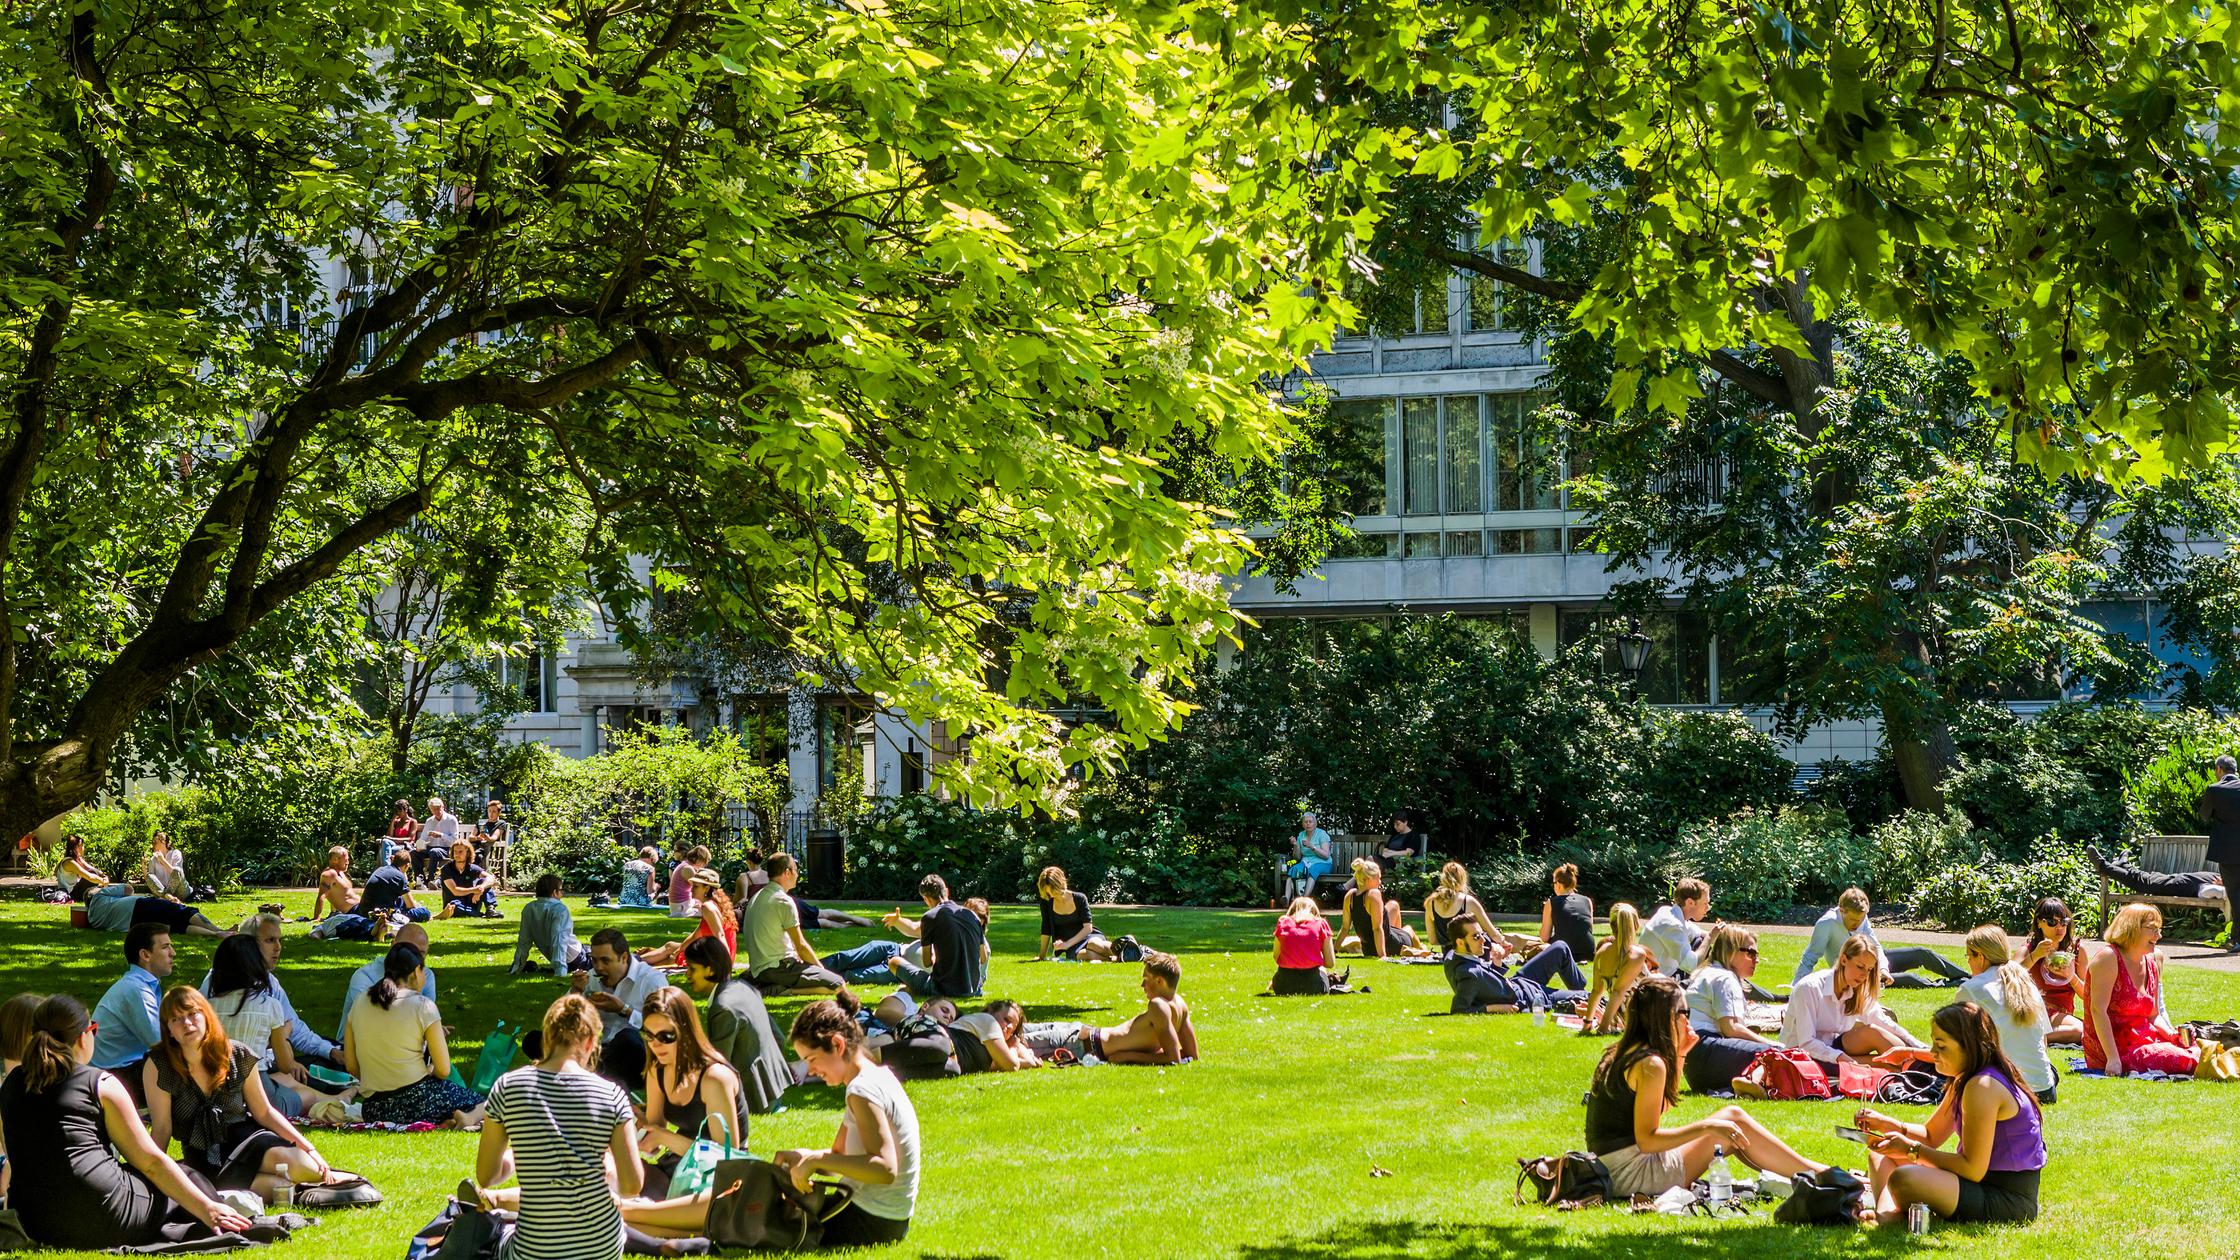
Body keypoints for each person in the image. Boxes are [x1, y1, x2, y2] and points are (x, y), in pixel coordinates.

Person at [623, 993, 920, 1248]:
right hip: (876, 1215)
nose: (812, 1071)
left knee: (740, 1213)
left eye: (813, 1060)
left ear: (838, 1045)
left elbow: (884, 1169)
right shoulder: (875, 1077)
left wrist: (816, 1160)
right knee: (744, 1207)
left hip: (867, 1221)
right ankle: (630, 1223)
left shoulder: (861, 1090)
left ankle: (625, 1215)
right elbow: (840, 1155)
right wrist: (803, 1157)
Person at [0, 995, 254, 1249]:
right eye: (93, 1030)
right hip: (102, 1214)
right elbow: (151, 1162)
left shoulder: (10, 1085)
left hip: (37, 1221)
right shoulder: (100, 1084)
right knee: (186, 1175)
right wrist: (207, 1207)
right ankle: (223, 1217)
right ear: (82, 1037)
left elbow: (17, 1156)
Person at [1582, 976, 1834, 1200]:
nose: (1688, 1020)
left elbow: (1662, 1109)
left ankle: (1810, 1176)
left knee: (1732, 1129)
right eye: (1685, 1012)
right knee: (1731, 1119)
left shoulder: (1625, 1052)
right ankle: (1821, 1175)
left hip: (1612, 1166)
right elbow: (1648, 1140)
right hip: (1631, 1173)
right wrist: (1707, 1126)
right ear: (1668, 1017)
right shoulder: (1651, 1064)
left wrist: (1681, 1052)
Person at [473, 994, 642, 1260]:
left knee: (497, 1231)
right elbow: (632, 1186)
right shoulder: (612, 1095)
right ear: (589, 1043)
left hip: (535, 1249)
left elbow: (487, 1176)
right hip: (602, 1247)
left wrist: (520, 1152)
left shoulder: (508, 1087)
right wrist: (608, 1168)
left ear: (547, 1039)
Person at [1856, 1001, 2047, 1226]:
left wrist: (1909, 1150)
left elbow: (1972, 1169)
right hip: (1977, 1184)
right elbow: (1930, 1135)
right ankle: (1888, 1216)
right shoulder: (1964, 1078)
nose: (1932, 1053)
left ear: (1968, 1046)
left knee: (1903, 1177)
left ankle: (1887, 1217)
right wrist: (1887, 1124)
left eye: (1941, 1046)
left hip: (2005, 1198)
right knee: (1880, 1153)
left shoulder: (1982, 1086)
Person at [144, 987, 341, 1196]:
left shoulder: (237, 1054)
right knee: (277, 1191)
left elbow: (264, 1112)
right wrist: (150, 1173)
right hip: (203, 1155)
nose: (187, 1023)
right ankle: (298, 1187)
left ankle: (319, 1178)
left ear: (206, 1016)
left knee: (306, 1168)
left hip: (247, 1138)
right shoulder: (159, 1065)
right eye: (176, 1019)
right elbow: (162, 1128)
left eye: (192, 1014)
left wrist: (309, 1148)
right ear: (169, 1030)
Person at [343, 942, 485, 1127]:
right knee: (485, 1102)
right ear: (417, 971)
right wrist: (429, 1071)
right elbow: (444, 1070)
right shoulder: (423, 1006)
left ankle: (449, 1120)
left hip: (373, 1107)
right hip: (418, 1101)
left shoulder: (360, 1002)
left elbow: (352, 1066)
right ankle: (468, 1118)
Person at [203, 912, 344, 1072]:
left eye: (279, 940)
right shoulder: (217, 981)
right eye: (270, 940)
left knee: (323, 1059)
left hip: (259, 1065)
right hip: (237, 1070)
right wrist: (281, 1036)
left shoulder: (270, 982)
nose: (278, 947)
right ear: (248, 945)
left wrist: (330, 1051)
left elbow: (295, 1027)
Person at [637, 987, 744, 1195]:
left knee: (634, 1211)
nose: (655, 1045)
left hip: (719, 1181)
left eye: (666, 1036)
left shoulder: (714, 1078)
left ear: (685, 1031)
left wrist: (664, 1138)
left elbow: (727, 1155)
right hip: (681, 1168)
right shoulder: (657, 1070)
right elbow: (655, 1135)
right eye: (648, 1035)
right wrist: (639, 1126)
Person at [2080, 902, 2203, 1077]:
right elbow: (2097, 1010)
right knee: (2186, 1059)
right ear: (2132, 928)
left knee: (2197, 1049)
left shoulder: (2151, 961)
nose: (2159, 935)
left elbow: (2153, 1015)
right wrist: (2113, 1058)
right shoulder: (2108, 958)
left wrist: (2171, 1035)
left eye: (2159, 929)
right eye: (2153, 929)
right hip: (2114, 1049)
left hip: (2144, 1039)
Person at [1779, 934, 1926, 1071]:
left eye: (1868, 970)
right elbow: (1807, 1043)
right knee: (1889, 1067)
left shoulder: (1858, 990)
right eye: (1860, 967)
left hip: (1834, 1047)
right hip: (1803, 1057)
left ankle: (1926, 1068)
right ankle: (1921, 1074)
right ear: (1843, 960)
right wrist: (1843, 1059)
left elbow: (1885, 1023)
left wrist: (1920, 1048)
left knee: (1875, 1032)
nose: (1864, 975)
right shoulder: (1809, 988)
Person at [682, 935, 792, 1114]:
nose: (687, 974)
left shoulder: (723, 1007)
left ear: (709, 970)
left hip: (753, 1098)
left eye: (691, 968)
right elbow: (778, 1037)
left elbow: (718, 1064)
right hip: (775, 1089)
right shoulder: (744, 987)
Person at [207, 933, 310, 1119]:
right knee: (304, 1095)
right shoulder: (269, 1005)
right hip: (259, 1091)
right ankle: (342, 1097)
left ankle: (341, 1096)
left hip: (216, 1090)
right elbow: (286, 1064)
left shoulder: (207, 1007)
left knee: (288, 1083)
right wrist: (285, 1031)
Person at [1793, 887, 1970, 988]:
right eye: (1854, 920)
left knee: (1922, 953)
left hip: (1874, 961)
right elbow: (1810, 958)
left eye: (1861, 919)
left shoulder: (1862, 917)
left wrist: (1884, 969)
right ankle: (1951, 985)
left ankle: (1969, 978)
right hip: (1855, 972)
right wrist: (1796, 989)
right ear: (1842, 911)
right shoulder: (1827, 924)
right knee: (1912, 979)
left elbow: (1875, 946)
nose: (1857, 924)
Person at [1958, 925, 2057, 1103]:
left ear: (1980, 957)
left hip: (2008, 1089)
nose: (1968, 962)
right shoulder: (2025, 981)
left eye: (1969, 956)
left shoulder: (1971, 989)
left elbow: (1959, 1046)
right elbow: (2043, 1040)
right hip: (2045, 1088)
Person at [1682, 924, 1779, 1094]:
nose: (1756, 959)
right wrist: (1774, 1044)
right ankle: (1752, 1083)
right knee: (1773, 1053)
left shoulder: (1711, 972)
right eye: (1750, 952)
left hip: (1695, 1063)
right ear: (1731, 951)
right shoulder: (1724, 978)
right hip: (1706, 1049)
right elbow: (1731, 1028)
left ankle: (1745, 1086)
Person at [573, 927, 666, 1091]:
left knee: (627, 1038)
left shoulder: (651, 980)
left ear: (624, 957)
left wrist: (624, 1010)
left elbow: (665, 1031)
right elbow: (561, 1022)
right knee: (536, 1039)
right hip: (603, 1052)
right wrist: (577, 991)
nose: (599, 967)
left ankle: (588, 1078)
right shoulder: (591, 978)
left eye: (605, 960)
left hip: (640, 1058)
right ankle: (589, 1075)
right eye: (594, 960)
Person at [741, 853, 849, 993]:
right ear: (787, 872)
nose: (797, 875)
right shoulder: (782, 900)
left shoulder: (757, 896)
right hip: (778, 968)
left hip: (757, 969)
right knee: (838, 984)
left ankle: (772, 987)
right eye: (796, 870)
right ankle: (780, 990)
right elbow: (801, 946)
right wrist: (820, 970)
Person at [1444, 917, 1587, 1014]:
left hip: (1518, 982)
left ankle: (1579, 991)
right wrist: (1496, 1008)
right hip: (1528, 996)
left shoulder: (1453, 956)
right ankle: (1583, 998)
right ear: (1460, 942)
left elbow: (1485, 985)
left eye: (1482, 934)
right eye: (1476, 937)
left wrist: (1496, 963)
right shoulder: (1468, 973)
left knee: (1560, 948)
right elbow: (1459, 1009)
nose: (1483, 940)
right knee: (1587, 996)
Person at [91, 922, 173, 1085]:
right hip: (112, 1076)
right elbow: (159, 1044)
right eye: (165, 947)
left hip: (117, 1069)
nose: (173, 953)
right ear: (145, 955)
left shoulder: (143, 984)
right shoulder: (137, 990)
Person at [882, 874, 987, 998]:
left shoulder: (930, 917)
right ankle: (911, 989)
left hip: (942, 989)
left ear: (926, 899)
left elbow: (927, 962)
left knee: (893, 961)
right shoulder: (971, 915)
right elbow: (983, 958)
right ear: (947, 891)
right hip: (974, 989)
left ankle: (911, 988)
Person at [334, 923, 438, 1044]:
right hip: (359, 1048)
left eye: (421, 953)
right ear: (393, 945)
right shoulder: (364, 976)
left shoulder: (426, 975)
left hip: (405, 1048)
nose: (415, 958)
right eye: (409, 950)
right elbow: (370, 1023)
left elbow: (426, 1020)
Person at [638, 868, 737, 967]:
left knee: (670, 948)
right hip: (716, 953)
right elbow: (695, 935)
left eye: (696, 886)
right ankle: (637, 963)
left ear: (706, 888)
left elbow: (720, 935)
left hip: (718, 956)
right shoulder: (713, 904)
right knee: (672, 949)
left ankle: (633, 962)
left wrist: (726, 963)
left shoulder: (708, 907)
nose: (691, 889)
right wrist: (680, 948)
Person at [2019, 897, 2084, 1045]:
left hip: (2061, 1015)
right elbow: (2007, 977)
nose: (2059, 928)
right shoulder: (2029, 949)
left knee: (2085, 1031)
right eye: (2052, 922)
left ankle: (2033, 1037)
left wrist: (2070, 976)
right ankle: (2034, 1038)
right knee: (2080, 1031)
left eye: (2064, 922)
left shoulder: (2076, 951)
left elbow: (2088, 995)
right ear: (2039, 923)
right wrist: (2035, 956)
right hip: (2035, 1010)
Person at [1582, 902, 1652, 1035]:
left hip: (1617, 1019)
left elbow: (1597, 990)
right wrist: (1603, 1027)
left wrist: (1587, 1023)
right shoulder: (1636, 955)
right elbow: (1618, 992)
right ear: (1636, 926)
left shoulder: (1602, 951)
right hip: (1639, 1019)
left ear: (1612, 926)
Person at [2194, 753, 2240, 952]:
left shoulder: (2215, 790)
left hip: (2228, 852)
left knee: (2235, 893)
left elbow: (2204, 815)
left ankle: (2237, 939)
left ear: (2219, 769)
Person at [1422, 862, 1518, 956]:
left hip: (1449, 955)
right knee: (1516, 940)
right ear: (1463, 879)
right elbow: (1494, 934)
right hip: (1473, 953)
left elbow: (1432, 940)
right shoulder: (1468, 901)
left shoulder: (1430, 902)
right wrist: (1504, 943)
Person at [1340, 858, 1429, 959]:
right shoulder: (1373, 894)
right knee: (1409, 929)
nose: (1380, 882)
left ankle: (1410, 947)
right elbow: (1377, 929)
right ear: (1369, 879)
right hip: (1387, 946)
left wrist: (1334, 949)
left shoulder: (1350, 895)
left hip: (1368, 949)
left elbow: (1345, 928)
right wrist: (1382, 956)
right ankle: (1418, 949)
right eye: (1378, 878)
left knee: (1393, 905)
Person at [82, 880, 232, 938]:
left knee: (178, 927)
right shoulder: (100, 894)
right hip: (140, 906)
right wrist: (109, 887)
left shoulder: (93, 919)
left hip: (135, 925)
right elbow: (129, 889)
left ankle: (217, 935)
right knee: (183, 912)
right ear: (93, 894)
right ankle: (219, 930)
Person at [512, 872, 592, 975]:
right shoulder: (559, 909)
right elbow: (559, 940)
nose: (562, 894)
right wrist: (560, 971)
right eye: (561, 890)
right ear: (555, 892)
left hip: (571, 953)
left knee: (591, 948)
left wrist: (517, 966)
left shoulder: (529, 908)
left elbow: (524, 941)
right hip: (575, 958)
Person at [1035, 866, 1117, 961]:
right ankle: (1117, 958)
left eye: (1053, 891)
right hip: (1072, 946)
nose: (1051, 895)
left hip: (1088, 936)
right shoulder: (1047, 901)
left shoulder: (1079, 898)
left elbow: (1088, 928)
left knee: (1094, 944)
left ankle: (1125, 949)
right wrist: (1041, 956)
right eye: (1048, 893)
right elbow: (1046, 928)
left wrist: (1067, 944)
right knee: (1082, 955)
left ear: (1060, 884)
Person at [1270, 896, 1348, 995]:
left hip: (1284, 986)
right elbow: (1330, 963)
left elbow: (1276, 956)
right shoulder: (1321, 924)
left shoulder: (1283, 922)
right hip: (1314, 986)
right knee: (1322, 968)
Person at [1640, 878, 1709, 979]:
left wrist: (1727, 933)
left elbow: (1699, 933)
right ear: (1690, 902)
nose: (1708, 907)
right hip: (1658, 981)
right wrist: (1711, 937)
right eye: (1705, 903)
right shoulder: (1672, 924)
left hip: (1662, 973)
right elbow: (1691, 965)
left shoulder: (1670, 913)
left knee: (1700, 940)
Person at [1540, 863, 1596, 963]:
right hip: (1588, 951)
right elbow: (1588, 929)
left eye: (1554, 883)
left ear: (1559, 885)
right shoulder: (1587, 901)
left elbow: (1544, 937)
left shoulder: (1551, 903)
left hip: (1564, 951)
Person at [357, 847, 431, 923]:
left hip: (364, 911)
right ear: (407, 865)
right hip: (380, 915)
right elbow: (411, 905)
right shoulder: (399, 876)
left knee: (400, 899)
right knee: (424, 913)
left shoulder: (381, 869)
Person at [436, 838, 500, 920]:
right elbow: (455, 890)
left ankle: (490, 909)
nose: (457, 854)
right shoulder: (446, 869)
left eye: (460, 852)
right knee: (453, 906)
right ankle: (480, 915)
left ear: (467, 853)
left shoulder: (472, 868)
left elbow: (491, 878)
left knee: (483, 881)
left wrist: (481, 888)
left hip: (472, 902)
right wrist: (474, 890)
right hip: (455, 903)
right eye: (455, 851)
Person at [1279, 811, 1333, 900]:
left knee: (1312, 870)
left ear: (1315, 824)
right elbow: (1297, 857)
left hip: (1323, 862)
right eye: (1305, 821)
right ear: (1303, 824)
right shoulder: (1301, 835)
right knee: (1293, 870)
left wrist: (1312, 846)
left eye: (1310, 821)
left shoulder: (1321, 834)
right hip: (1306, 862)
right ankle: (1286, 898)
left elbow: (1326, 855)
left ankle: (1303, 899)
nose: (1308, 824)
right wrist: (1296, 845)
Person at [414, 796, 460, 887]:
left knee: (434, 852)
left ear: (443, 807)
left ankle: (431, 880)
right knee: (414, 853)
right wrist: (419, 845)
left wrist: (441, 835)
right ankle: (420, 880)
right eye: (434, 809)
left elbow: (455, 840)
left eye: (439, 809)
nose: (437, 811)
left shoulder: (451, 819)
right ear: (431, 810)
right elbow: (423, 838)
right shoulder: (429, 821)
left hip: (446, 849)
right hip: (430, 848)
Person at [144, 832, 201, 901]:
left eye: (155, 842)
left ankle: (166, 896)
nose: (153, 845)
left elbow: (176, 874)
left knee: (177, 870)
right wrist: (143, 866)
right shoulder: (153, 859)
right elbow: (151, 881)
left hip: (181, 890)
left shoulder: (175, 853)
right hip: (163, 890)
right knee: (150, 875)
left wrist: (162, 860)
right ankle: (168, 897)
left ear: (163, 842)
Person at [308, 845, 359, 920]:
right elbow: (322, 896)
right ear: (335, 860)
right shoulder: (329, 874)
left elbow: (338, 893)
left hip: (360, 906)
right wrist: (317, 917)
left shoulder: (340, 873)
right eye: (346, 859)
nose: (348, 862)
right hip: (354, 910)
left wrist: (334, 912)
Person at [55, 832, 107, 900]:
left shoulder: (78, 859)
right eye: (82, 845)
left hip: (75, 890)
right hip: (69, 894)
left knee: (93, 872)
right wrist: (103, 881)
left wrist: (104, 876)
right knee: (92, 875)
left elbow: (93, 870)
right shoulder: (69, 862)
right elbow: (89, 877)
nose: (83, 848)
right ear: (76, 847)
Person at [667, 843, 704, 919]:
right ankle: (683, 914)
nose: (673, 853)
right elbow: (699, 889)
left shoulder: (683, 865)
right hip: (682, 907)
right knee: (711, 911)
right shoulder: (687, 868)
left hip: (682, 904)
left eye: (675, 850)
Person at [383, 798, 418, 869]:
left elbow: (410, 838)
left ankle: (386, 868)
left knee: (389, 850)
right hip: (394, 844)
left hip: (405, 846)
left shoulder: (412, 822)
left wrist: (392, 839)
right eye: (396, 811)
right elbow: (389, 836)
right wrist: (392, 821)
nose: (398, 813)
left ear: (406, 810)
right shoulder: (396, 821)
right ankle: (387, 866)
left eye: (400, 811)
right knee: (384, 841)